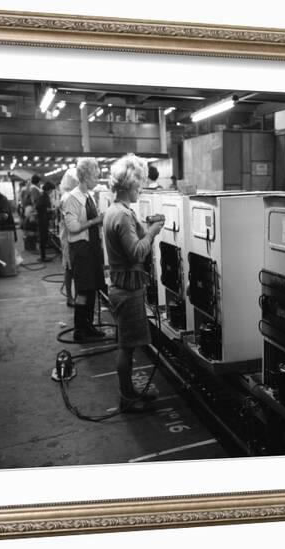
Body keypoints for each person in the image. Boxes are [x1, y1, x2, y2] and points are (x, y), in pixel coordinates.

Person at [103, 154, 164, 411]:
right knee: (126, 347)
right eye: (139, 184)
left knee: (127, 345)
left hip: (123, 286)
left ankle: (130, 392)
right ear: (129, 184)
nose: (141, 188)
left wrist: (146, 225)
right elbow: (138, 252)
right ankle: (127, 399)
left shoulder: (116, 210)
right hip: (127, 290)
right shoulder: (123, 216)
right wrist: (152, 232)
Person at [63, 158, 105, 341]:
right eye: (96, 175)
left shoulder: (88, 196)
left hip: (92, 249)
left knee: (91, 289)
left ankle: (88, 325)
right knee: (82, 291)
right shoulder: (72, 198)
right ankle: (80, 329)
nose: (98, 178)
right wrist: (96, 221)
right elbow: (72, 227)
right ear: (86, 175)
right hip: (81, 250)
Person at [59, 168, 79, 307]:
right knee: (70, 268)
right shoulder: (68, 197)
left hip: (70, 235)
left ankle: (74, 296)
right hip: (69, 237)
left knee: (72, 267)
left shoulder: (70, 195)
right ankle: (70, 297)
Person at [0, 184, 18, 277]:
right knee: (5, 251)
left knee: (8, 250)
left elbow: (5, 215)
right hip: (1, 229)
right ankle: (8, 267)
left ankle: (10, 268)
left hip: (7, 229)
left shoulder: (3, 200)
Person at [35, 181, 56, 262]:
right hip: (43, 220)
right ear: (49, 189)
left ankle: (43, 256)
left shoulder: (44, 196)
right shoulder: (44, 197)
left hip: (43, 219)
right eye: (51, 190)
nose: (51, 192)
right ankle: (43, 257)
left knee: (44, 237)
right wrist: (52, 209)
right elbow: (40, 207)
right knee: (43, 238)